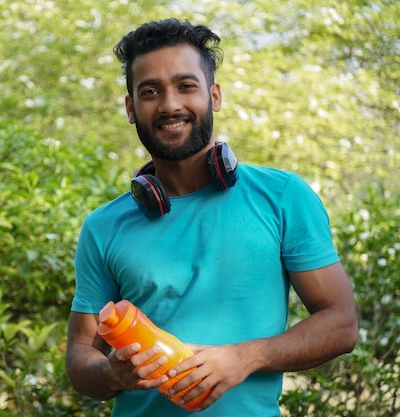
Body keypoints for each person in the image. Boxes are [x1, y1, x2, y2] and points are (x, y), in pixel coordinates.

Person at [65, 18, 358, 417]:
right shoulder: (103, 227)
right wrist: (113, 375)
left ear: (214, 95)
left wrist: (246, 357)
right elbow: (81, 356)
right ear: (131, 108)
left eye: (186, 86)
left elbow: (341, 324)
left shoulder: (283, 197)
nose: (170, 105)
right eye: (150, 92)